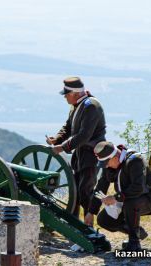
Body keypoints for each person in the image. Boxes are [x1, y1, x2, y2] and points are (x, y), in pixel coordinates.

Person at [46, 77, 106, 218]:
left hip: (91, 154)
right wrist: (57, 139)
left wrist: (62, 147)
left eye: (67, 94)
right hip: (79, 154)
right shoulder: (77, 105)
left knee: (85, 191)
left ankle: (88, 225)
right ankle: (74, 224)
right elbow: (68, 127)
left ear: (75, 93)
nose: (65, 97)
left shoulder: (91, 106)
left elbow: (84, 135)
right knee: (75, 191)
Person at [84, 141, 151, 251]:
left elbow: (138, 188)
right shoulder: (110, 166)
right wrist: (91, 212)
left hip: (148, 198)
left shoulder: (135, 160)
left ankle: (134, 244)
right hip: (126, 199)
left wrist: (115, 198)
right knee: (103, 220)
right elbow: (100, 188)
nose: (106, 165)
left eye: (107, 162)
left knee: (130, 203)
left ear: (115, 156)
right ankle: (137, 231)